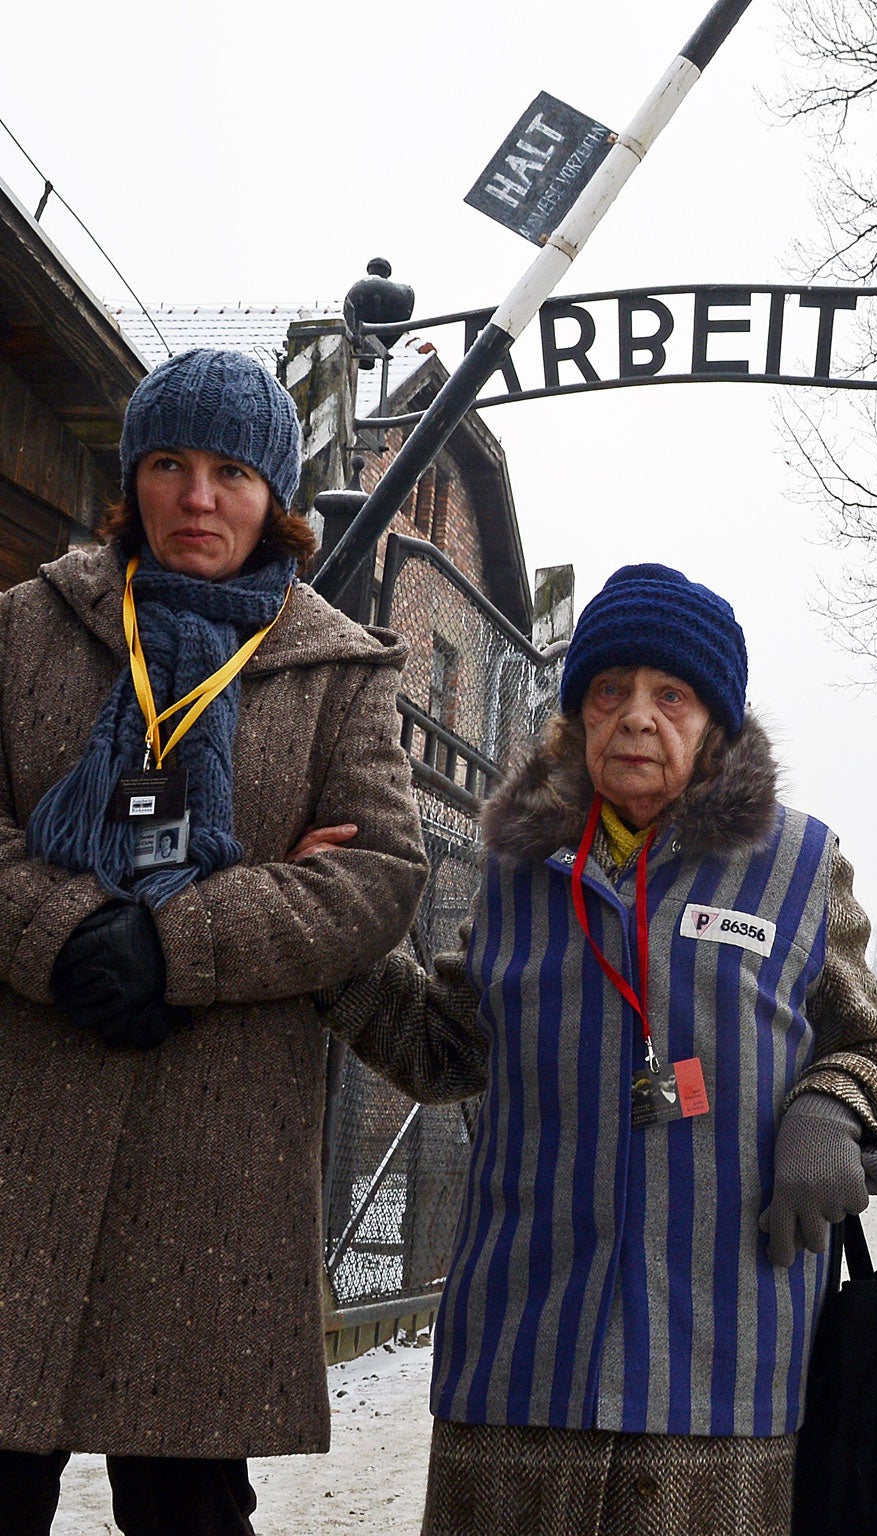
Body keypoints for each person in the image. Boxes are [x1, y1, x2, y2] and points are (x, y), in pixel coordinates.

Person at [321, 563, 877, 1536]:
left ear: (717, 726)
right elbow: (442, 1048)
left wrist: (826, 1115)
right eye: (609, 691)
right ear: (578, 716)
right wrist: (334, 942)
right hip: (519, 1371)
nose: (637, 717)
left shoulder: (795, 867)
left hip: (723, 1380)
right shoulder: (523, 871)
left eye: (673, 695)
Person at [0, 349, 430, 1536]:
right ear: (132, 479)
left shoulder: (338, 670)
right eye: (170, 464)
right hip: (20, 1134)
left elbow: (378, 874)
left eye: (231, 471)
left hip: (216, 1149)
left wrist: (177, 943)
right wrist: (65, 931)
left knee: (189, 1508)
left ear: (275, 496)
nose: (198, 497)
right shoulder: (27, 630)